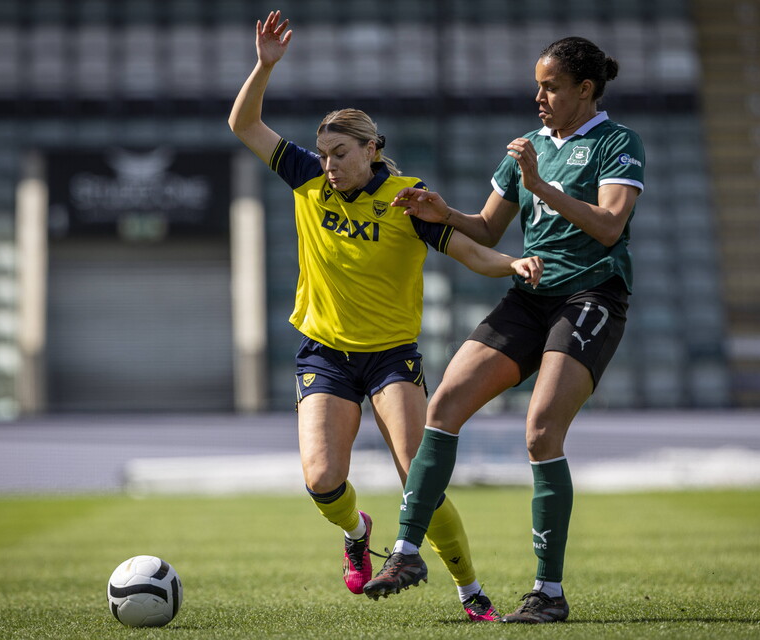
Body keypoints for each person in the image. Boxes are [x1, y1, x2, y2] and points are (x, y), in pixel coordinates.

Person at [227, 11, 544, 622]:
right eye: (322, 154)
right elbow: (243, 123)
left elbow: (467, 249)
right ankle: (356, 530)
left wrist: (510, 264)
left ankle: (471, 592)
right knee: (322, 479)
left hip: (391, 357)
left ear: (373, 149)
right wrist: (265, 66)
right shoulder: (305, 180)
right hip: (323, 351)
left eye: (340, 153)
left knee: (418, 478)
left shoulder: (408, 199)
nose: (328, 165)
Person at [363, 36, 644, 624]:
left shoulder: (618, 144)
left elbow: (611, 227)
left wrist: (540, 185)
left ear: (585, 90)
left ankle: (549, 592)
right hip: (530, 295)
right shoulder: (528, 147)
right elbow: (488, 230)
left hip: (591, 296)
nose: (537, 96)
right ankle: (409, 552)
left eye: (550, 87)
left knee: (541, 433)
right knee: (444, 405)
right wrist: (445, 213)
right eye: (537, 85)